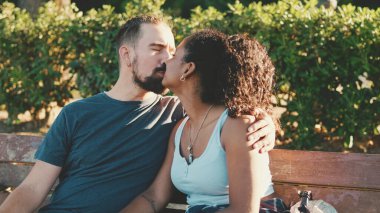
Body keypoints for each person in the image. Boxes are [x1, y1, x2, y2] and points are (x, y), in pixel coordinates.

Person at [0, 16, 276, 213]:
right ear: (127, 55)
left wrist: (265, 120)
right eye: (157, 49)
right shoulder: (76, 113)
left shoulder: (176, 112)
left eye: (170, 51)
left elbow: (230, 104)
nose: (165, 59)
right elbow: (33, 189)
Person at [121, 30, 287, 213]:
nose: (166, 60)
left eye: (174, 55)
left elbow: (244, 210)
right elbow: (154, 197)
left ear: (187, 68)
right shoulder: (180, 130)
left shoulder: (237, 126)